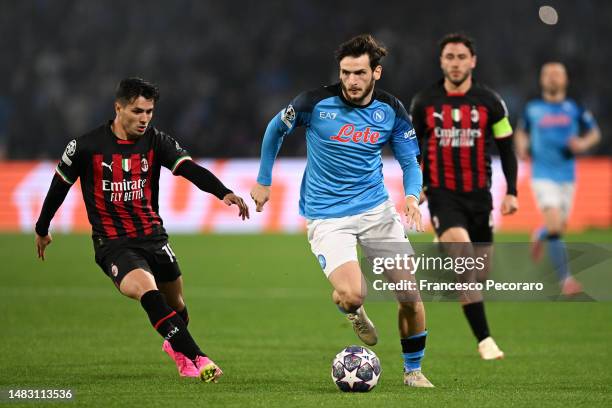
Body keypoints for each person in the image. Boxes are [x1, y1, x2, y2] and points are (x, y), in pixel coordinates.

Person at [35, 77, 249, 381]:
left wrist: (222, 191)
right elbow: (58, 189)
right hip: (113, 243)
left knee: (176, 306)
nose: (144, 118)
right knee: (149, 293)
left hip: (153, 236)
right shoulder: (85, 147)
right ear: (118, 108)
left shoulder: (155, 141)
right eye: (137, 111)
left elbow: (188, 168)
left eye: (149, 111)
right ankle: (199, 358)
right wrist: (42, 228)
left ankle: (175, 347)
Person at [250, 34, 433, 387]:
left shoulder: (391, 110)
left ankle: (413, 371)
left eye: (360, 73)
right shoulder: (314, 102)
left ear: (376, 73)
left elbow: (410, 161)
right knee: (352, 294)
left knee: (410, 295)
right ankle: (352, 311)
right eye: (346, 72)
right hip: (327, 215)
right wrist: (263, 180)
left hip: (376, 212)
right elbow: (275, 129)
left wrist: (411, 196)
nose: (351, 80)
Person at [409, 33, 518, 360]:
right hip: (443, 196)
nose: (455, 63)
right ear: (441, 62)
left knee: (478, 272)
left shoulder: (490, 102)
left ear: (472, 61)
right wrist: (419, 186)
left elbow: (507, 149)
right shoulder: (424, 102)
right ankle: (485, 340)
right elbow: (412, 150)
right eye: (449, 57)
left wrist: (511, 191)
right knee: (465, 261)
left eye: (461, 57)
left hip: (479, 197)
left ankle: (459, 277)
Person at [515, 62, 600, 296]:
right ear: (542, 80)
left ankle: (540, 233)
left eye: (557, 74)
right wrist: (521, 147)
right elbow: (521, 132)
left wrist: (582, 143)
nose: (552, 78)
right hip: (542, 174)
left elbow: (594, 133)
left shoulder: (574, 108)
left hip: (567, 175)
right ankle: (565, 280)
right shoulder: (532, 109)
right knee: (555, 224)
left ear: (565, 80)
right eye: (548, 74)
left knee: (558, 227)